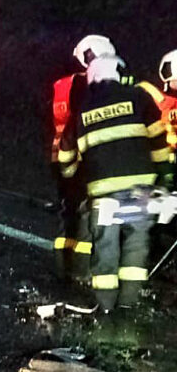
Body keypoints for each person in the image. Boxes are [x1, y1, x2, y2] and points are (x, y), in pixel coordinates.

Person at [57, 50, 171, 313]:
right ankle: (129, 305)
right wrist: (164, 176)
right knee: (136, 244)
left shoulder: (82, 109)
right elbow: (158, 140)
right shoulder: (139, 97)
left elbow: (66, 154)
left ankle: (105, 308)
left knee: (105, 249)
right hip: (141, 190)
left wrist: (70, 174)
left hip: (104, 193)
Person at [48, 36, 113, 280]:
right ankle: (82, 273)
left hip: (59, 156)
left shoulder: (61, 84)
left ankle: (63, 269)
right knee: (86, 215)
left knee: (68, 213)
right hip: (81, 156)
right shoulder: (86, 85)